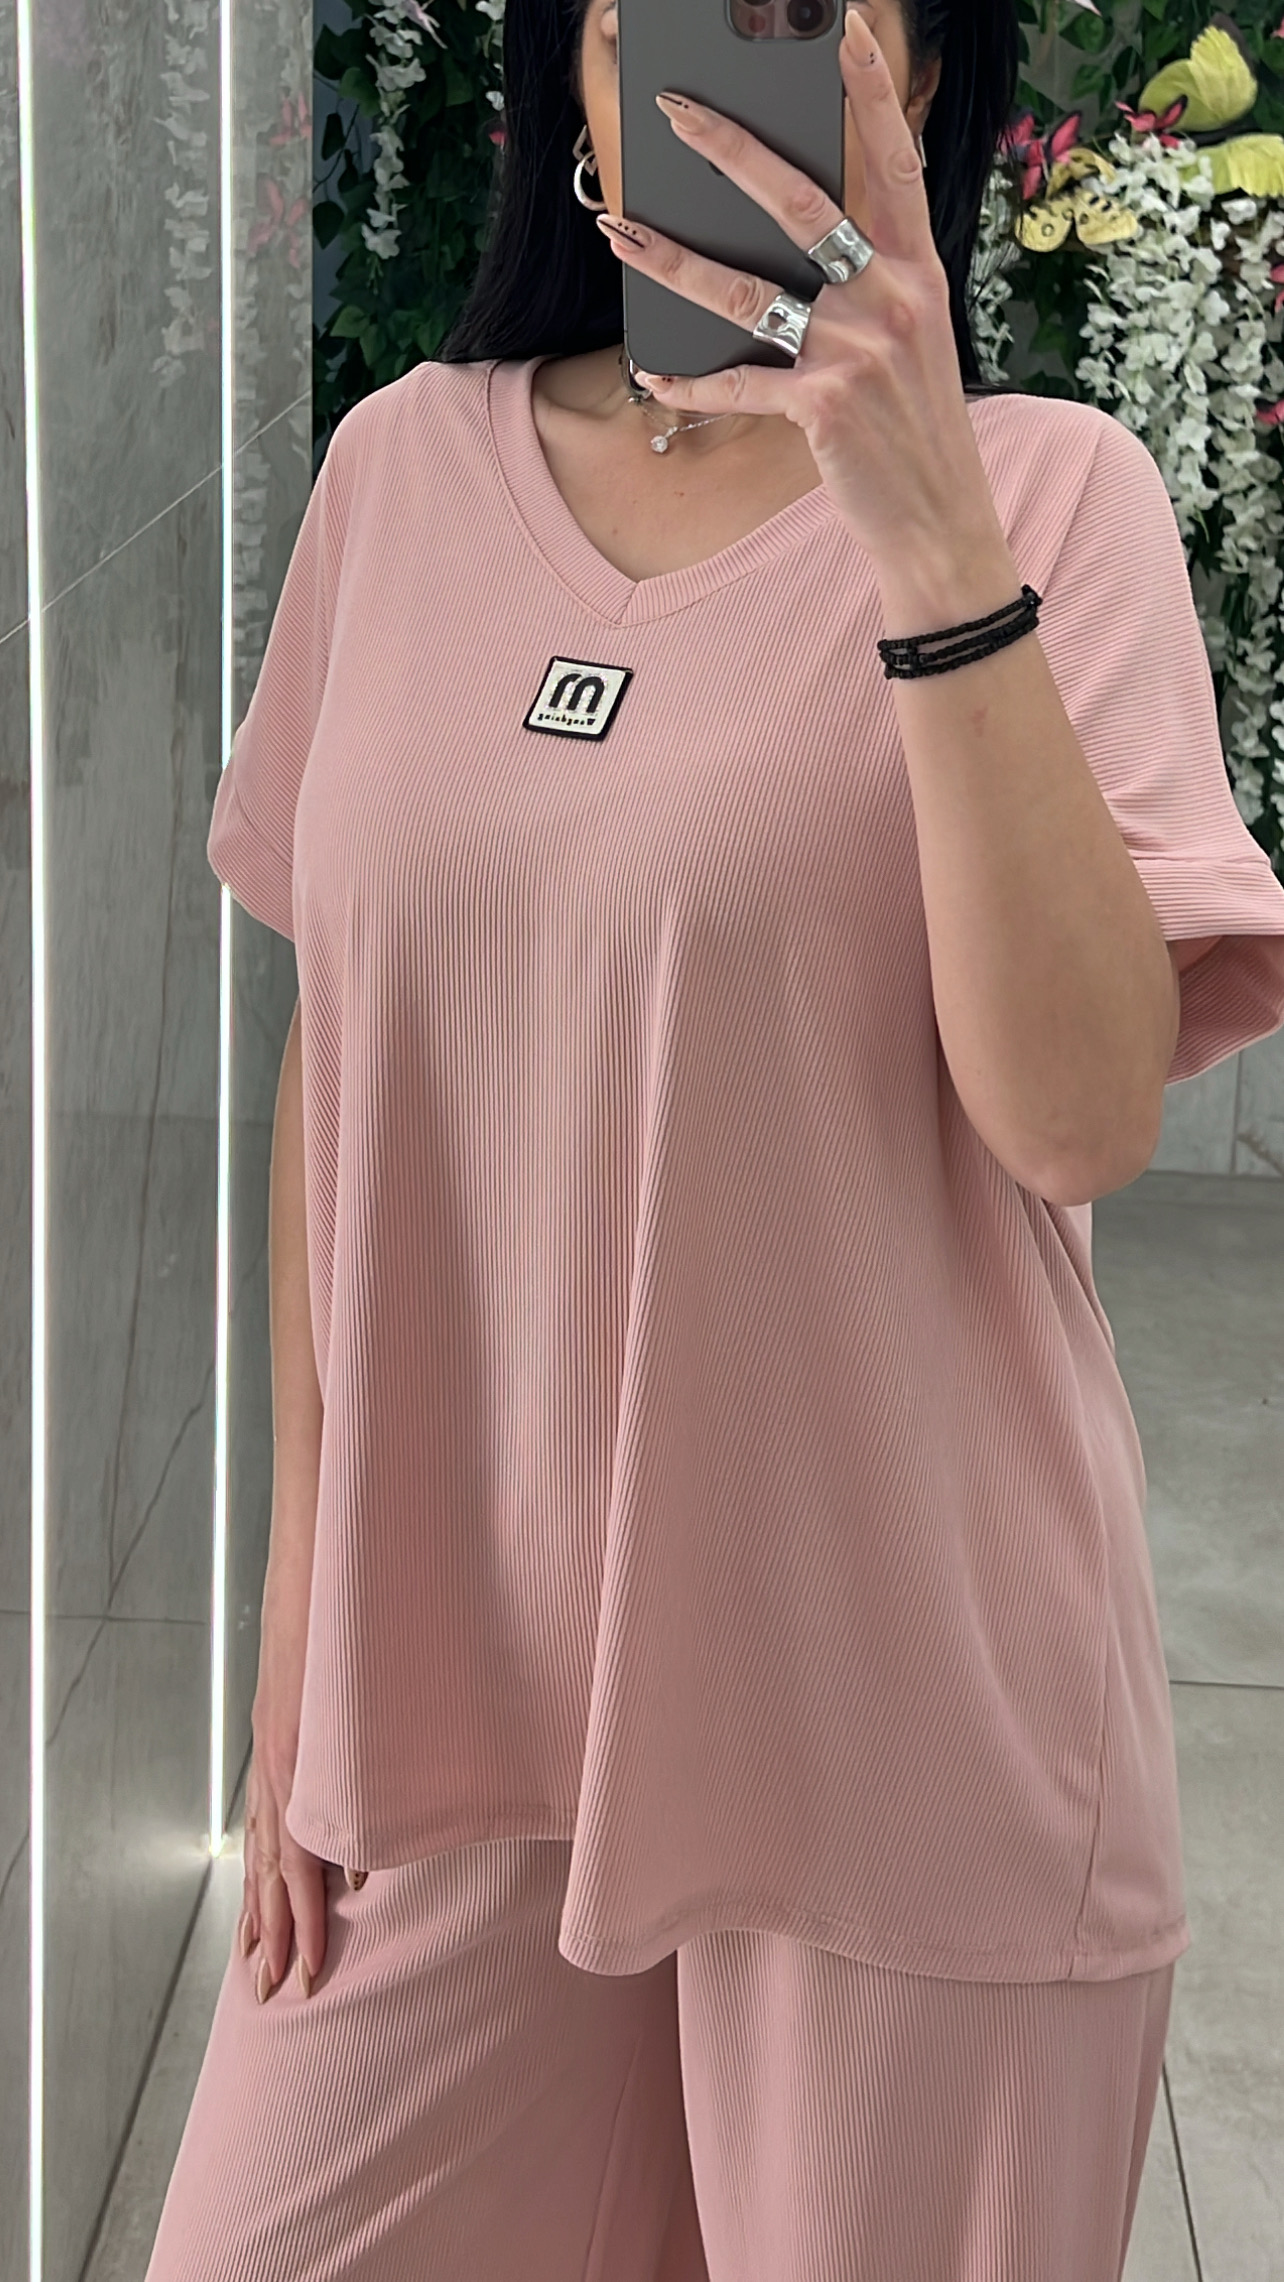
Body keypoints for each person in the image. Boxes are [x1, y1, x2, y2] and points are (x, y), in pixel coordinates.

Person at [148, 0, 1284, 2276]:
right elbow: (346, 1061)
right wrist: (298, 1625)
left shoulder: (1054, 495)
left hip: (897, 1735)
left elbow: (1077, 1117)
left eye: (803, 7)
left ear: (917, 74)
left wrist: (928, 524)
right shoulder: (402, 469)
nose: (723, 46)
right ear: (571, 82)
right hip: (454, 1720)